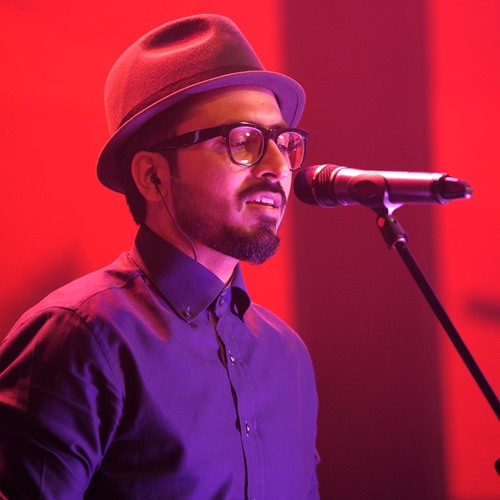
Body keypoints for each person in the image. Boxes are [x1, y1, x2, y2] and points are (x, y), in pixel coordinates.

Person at [0, 14, 319, 499]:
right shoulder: (80, 338)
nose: (278, 167)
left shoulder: (287, 355)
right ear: (152, 176)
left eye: (282, 142)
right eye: (243, 141)